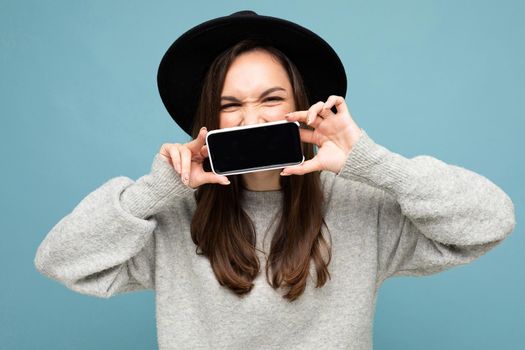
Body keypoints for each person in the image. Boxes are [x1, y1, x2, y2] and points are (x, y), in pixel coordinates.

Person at [34, 10, 516, 350]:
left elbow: (491, 221)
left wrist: (371, 162)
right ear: (211, 120)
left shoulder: (360, 205)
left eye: (270, 99)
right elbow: (60, 260)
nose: (249, 120)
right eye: (230, 105)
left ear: (301, 106)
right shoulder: (171, 214)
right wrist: (154, 189)